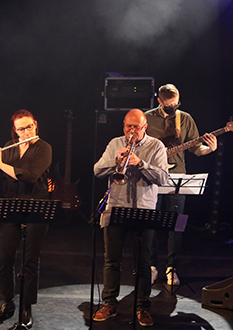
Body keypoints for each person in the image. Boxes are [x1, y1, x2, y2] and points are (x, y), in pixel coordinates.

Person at [0, 109, 52, 329]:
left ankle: (26, 308)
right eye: (20, 129)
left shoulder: (43, 148)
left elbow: (30, 175)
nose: (25, 132)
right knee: (4, 259)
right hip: (10, 208)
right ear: (14, 131)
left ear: (35, 124)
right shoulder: (10, 146)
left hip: (37, 207)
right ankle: (8, 302)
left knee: (29, 262)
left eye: (28, 127)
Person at [93, 109, 168, 327]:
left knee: (143, 263)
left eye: (136, 127)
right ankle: (109, 303)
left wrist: (141, 163)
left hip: (144, 210)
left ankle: (142, 307)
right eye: (128, 126)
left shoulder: (156, 146)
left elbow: (163, 178)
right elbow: (97, 170)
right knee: (111, 260)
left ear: (145, 127)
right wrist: (115, 161)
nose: (131, 131)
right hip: (116, 207)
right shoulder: (115, 143)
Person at [145, 84, 217, 286]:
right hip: (152, 176)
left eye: (176, 104)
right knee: (150, 223)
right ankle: (151, 266)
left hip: (177, 177)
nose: (173, 108)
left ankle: (171, 267)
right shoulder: (147, 118)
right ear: (159, 101)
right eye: (169, 105)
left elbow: (196, 148)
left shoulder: (184, 119)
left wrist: (209, 149)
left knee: (176, 224)